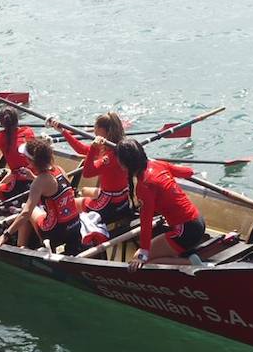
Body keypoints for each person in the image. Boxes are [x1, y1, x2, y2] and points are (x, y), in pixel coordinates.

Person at [115, 141, 204, 270]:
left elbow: (146, 221)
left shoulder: (144, 186)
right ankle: (177, 258)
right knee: (145, 254)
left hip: (185, 231)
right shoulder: (158, 164)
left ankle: (191, 263)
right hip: (198, 221)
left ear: (125, 164)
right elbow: (188, 172)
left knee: (144, 262)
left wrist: (143, 253)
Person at [0, 136, 82, 255]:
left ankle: (21, 249)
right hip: (75, 227)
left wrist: (5, 235)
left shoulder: (39, 182)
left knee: (25, 208)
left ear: (31, 161)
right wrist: (33, 177)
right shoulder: (60, 170)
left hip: (55, 232)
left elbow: (26, 213)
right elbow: (53, 186)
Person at [51, 112, 131, 222]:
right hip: (123, 199)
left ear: (103, 131)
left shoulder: (109, 156)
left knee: (69, 204)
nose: (94, 129)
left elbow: (87, 173)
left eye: (96, 126)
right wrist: (63, 131)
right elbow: (82, 149)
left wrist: (93, 148)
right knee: (84, 190)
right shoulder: (117, 146)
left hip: (110, 205)